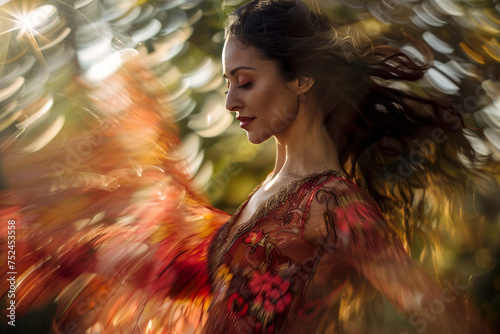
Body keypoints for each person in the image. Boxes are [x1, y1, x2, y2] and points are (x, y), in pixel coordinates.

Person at [0, 0, 495, 333]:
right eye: (227, 83)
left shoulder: (335, 204)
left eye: (245, 81)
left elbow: (434, 308)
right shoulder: (268, 194)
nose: (231, 100)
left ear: (301, 79)